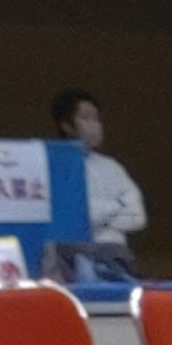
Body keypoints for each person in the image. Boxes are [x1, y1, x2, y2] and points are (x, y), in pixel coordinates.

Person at [48, 87, 148, 273]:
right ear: (66, 126)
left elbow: (137, 217)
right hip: (71, 258)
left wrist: (94, 214)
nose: (95, 124)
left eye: (97, 118)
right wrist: (114, 208)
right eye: (87, 118)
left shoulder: (112, 167)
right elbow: (70, 217)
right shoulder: (52, 165)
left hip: (117, 256)